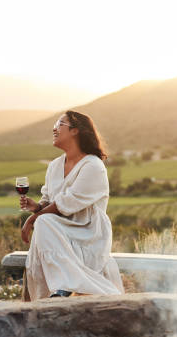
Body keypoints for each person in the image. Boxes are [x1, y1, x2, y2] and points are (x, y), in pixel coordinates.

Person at [20, 110, 124, 300]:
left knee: (43, 223)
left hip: (87, 232)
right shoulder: (54, 166)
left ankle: (63, 286)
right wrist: (36, 207)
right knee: (45, 223)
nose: (54, 129)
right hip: (59, 229)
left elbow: (67, 203)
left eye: (59, 124)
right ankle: (58, 289)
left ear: (75, 131)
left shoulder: (93, 165)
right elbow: (50, 201)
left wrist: (33, 219)